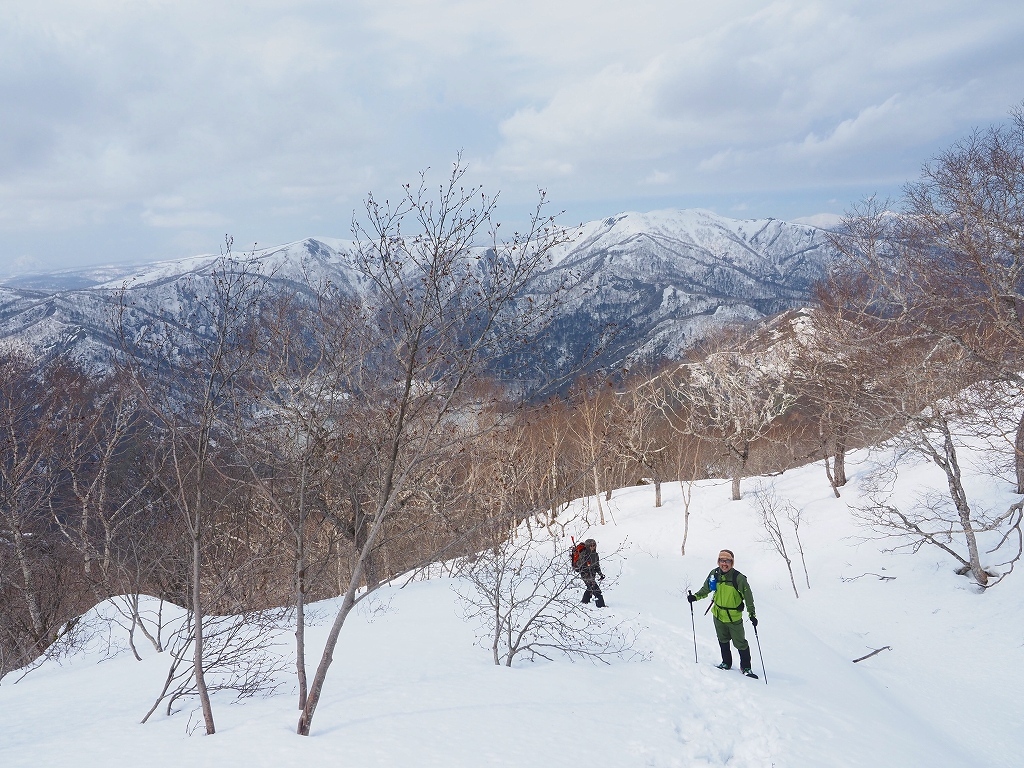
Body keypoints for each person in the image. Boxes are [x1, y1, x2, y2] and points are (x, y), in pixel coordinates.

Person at [688, 549, 758, 677]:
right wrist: (695, 597)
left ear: (732, 562)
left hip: (733, 617)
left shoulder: (739, 578)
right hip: (718, 615)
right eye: (721, 560)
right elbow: (706, 589)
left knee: (740, 643)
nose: (724, 564)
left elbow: (748, 597)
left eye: (727, 561)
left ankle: (746, 667)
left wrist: (752, 614)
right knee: (723, 640)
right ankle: (726, 663)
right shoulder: (714, 574)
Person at [578, 538, 606, 607]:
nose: (593, 547)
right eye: (591, 545)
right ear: (587, 546)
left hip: (592, 574)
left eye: (594, 545)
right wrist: (585, 570)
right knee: (596, 590)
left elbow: (597, 566)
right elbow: (579, 565)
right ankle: (601, 606)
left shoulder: (595, 555)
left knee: (590, 588)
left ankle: (585, 601)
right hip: (585, 574)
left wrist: (600, 574)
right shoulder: (583, 554)